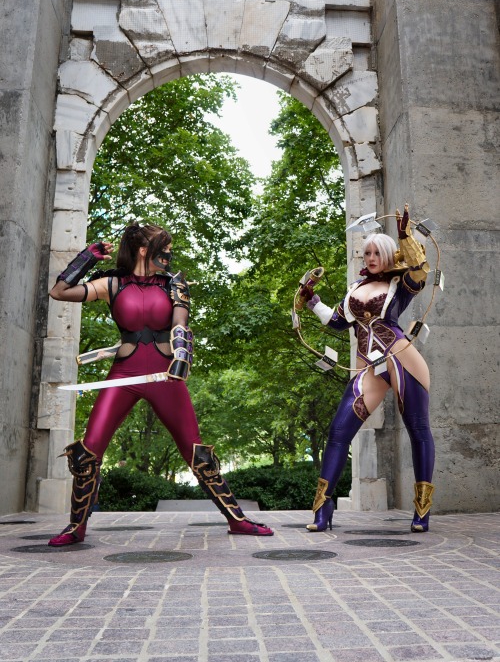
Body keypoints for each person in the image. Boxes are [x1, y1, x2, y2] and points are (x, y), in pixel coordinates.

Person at [47, 222, 274, 546]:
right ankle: (75, 528)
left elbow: (180, 323)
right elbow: (59, 292)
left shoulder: (174, 284)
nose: (169, 254)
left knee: (197, 452)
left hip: (165, 376)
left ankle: (237, 519)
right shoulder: (112, 283)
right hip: (124, 375)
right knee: (87, 453)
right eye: (163, 248)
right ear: (143, 250)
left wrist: (183, 353)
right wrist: (87, 258)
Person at [301, 205, 435, 533]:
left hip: (401, 358)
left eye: (377, 252)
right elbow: (336, 321)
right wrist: (311, 299)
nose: (370, 257)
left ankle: (422, 511)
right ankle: (322, 510)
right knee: (338, 433)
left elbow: (420, 273)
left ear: (389, 255)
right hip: (368, 369)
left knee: (417, 430)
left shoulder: (399, 285)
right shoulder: (354, 291)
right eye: (367, 252)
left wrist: (405, 237)